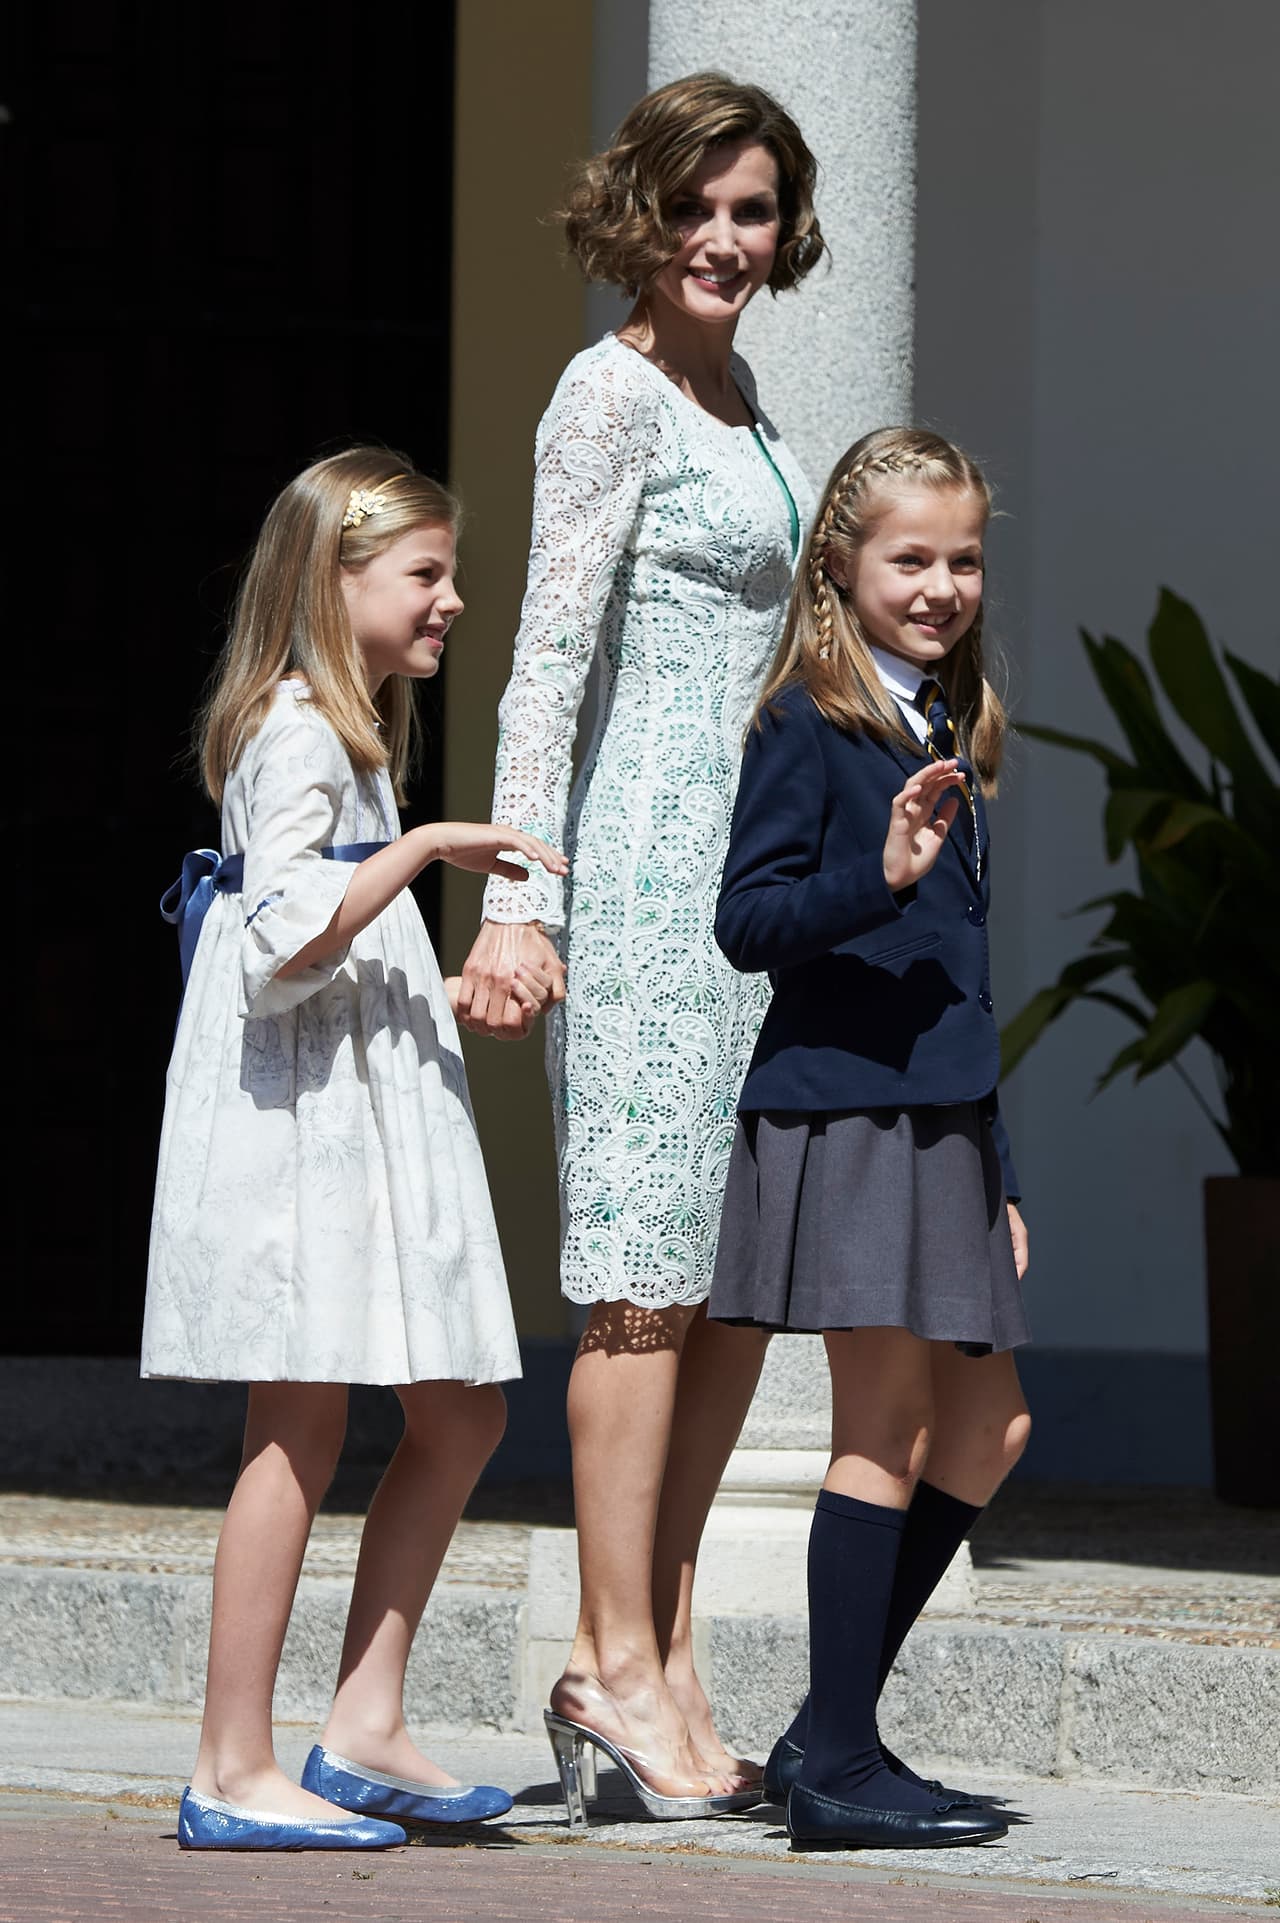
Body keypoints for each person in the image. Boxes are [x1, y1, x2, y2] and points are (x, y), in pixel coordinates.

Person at [455, 73, 824, 1822]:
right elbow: (542, 658)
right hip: (653, 874)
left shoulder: (743, 401)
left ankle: (665, 1651)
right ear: (641, 212)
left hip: (755, 889)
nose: (725, 241)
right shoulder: (606, 396)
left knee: (727, 1287)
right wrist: (523, 900)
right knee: (640, 1283)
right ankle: (609, 1664)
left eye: (753, 210)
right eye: (699, 206)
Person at [143, 448, 566, 1851]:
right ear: (336, 583)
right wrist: (433, 847)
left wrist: (439, 992)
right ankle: (228, 1763)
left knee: (460, 1410)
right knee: (299, 1420)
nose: (451, 602)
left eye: (453, 576)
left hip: (350, 1113)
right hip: (296, 1146)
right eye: (425, 576)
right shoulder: (299, 730)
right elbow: (277, 941)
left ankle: (362, 1723)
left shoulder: (353, 735)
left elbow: (328, 957)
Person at [709, 427, 1032, 1851]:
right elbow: (749, 921)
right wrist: (876, 870)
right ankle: (840, 1759)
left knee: (990, 1425)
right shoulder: (809, 719)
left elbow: (961, 969)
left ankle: (824, 1728)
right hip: (850, 1111)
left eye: (964, 559)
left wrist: (1000, 1172)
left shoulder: (948, 725)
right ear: (842, 564)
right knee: (886, 1430)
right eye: (912, 557)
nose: (943, 583)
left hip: (939, 1121)